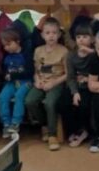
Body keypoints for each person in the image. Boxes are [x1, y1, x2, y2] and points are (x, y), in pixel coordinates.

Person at [25, 17, 69, 151]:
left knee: (49, 103)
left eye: (54, 33)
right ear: (42, 35)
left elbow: (68, 74)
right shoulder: (38, 51)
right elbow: (36, 70)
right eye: (48, 33)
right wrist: (37, 81)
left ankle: (52, 135)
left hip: (57, 83)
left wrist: (54, 82)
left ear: (59, 34)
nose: (51, 36)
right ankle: (44, 124)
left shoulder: (64, 51)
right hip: (41, 82)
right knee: (29, 101)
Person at [0, 27, 33, 138]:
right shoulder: (6, 57)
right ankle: (6, 123)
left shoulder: (26, 54)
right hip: (11, 83)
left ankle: (15, 123)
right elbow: (4, 72)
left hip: (26, 81)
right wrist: (5, 76)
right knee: (2, 97)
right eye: (4, 46)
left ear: (17, 41)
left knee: (19, 95)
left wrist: (13, 76)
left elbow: (30, 72)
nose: (6, 48)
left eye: (9, 44)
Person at [63, 23, 95, 148]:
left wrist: (92, 52)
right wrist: (75, 92)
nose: (81, 39)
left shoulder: (95, 53)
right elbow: (70, 77)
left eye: (85, 37)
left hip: (90, 86)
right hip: (76, 86)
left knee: (84, 105)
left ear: (92, 39)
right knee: (63, 103)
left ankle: (86, 131)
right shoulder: (71, 56)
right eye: (78, 37)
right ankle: (74, 130)